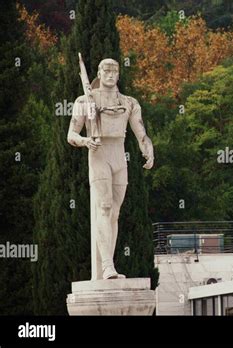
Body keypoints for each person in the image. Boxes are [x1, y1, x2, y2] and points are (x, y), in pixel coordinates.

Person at [67, 58, 154, 279]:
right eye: (106, 70)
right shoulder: (84, 101)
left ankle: (109, 263)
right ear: (98, 73)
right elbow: (71, 135)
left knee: (114, 213)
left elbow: (140, 131)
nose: (110, 74)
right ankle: (107, 266)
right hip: (98, 155)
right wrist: (86, 141)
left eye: (114, 71)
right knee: (104, 208)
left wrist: (148, 148)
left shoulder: (129, 102)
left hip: (119, 156)